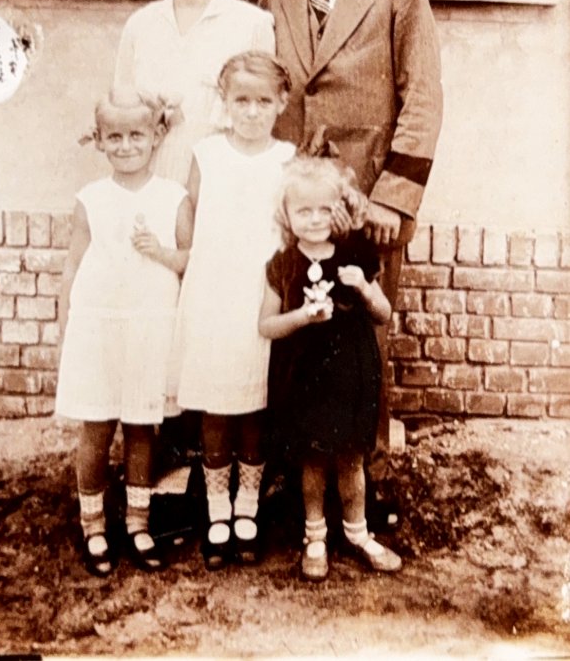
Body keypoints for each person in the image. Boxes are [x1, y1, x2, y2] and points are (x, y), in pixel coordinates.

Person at [259, 0, 443, 451]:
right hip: (295, 199)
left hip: (366, 196)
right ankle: (295, 475)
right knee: (296, 336)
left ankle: (367, 474)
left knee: (363, 340)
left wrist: (392, 197)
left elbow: (423, 96)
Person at [55, 88, 193, 576]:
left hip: (149, 326)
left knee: (141, 426)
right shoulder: (91, 199)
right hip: (100, 327)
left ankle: (138, 521)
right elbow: (73, 266)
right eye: (114, 137)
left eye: (137, 134)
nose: (127, 145)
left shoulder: (173, 197)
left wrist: (160, 251)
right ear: (99, 140)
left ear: (157, 136)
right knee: (96, 427)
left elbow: (189, 260)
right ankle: (93, 524)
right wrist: (66, 328)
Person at [173, 51, 295, 570]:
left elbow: (290, 225)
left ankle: (248, 506)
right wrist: (187, 266)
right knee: (217, 404)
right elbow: (190, 210)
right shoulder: (207, 153)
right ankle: (216, 508)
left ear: (281, 103)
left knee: (254, 403)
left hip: (260, 292)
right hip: (214, 291)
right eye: (241, 100)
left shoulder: (287, 157)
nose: (251, 111)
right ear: (224, 101)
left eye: (263, 101)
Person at [259, 156, 402, 582]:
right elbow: (266, 326)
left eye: (325, 209)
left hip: (351, 375)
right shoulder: (282, 263)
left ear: (341, 208)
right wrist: (303, 316)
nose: (316, 219)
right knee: (313, 462)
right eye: (304, 210)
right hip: (305, 379)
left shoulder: (355, 255)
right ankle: (315, 537)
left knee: (352, 460)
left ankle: (359, 534)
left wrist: (363, 288)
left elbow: (383, 314)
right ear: (285, 213)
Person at [114, 0, 275, 187]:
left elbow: (262, 116)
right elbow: (120, 111)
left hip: (223, 182)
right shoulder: (141, 25)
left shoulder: (252, 24)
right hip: (151, 181)